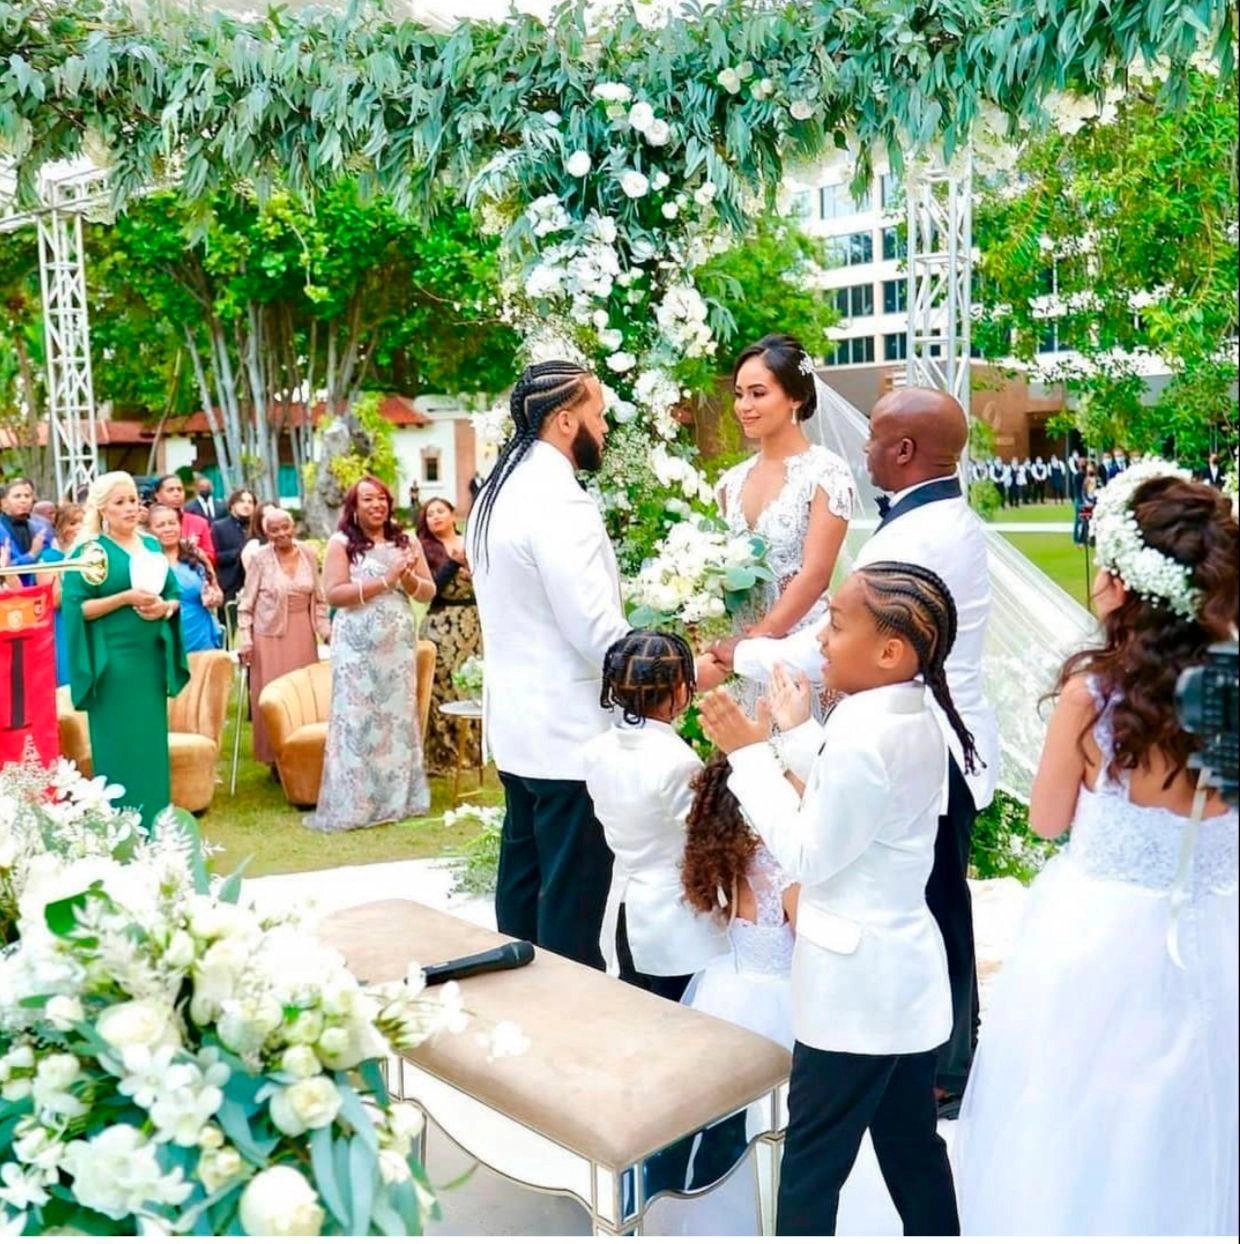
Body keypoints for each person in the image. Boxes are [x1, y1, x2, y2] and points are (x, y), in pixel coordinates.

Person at [955, 467, 1238, 1234]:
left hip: (1100, 946)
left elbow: (1047, 821)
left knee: (1084, 1132)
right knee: (1205, 1122)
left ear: (1123, 583)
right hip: (1222, 931)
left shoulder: (1095, 696)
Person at [713, 386, 1000, 1115]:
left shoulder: (913, 538)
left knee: (930, 903)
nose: (863, 447)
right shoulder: (943, 516)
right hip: (931, 735)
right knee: (937, 898)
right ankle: (939, 1054)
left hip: (918, 739)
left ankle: (940, 1066)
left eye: (874, 437)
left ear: (903, 451)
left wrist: (733, 655)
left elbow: (821, 652)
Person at [699, 561, 977, 1237]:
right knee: (912, 1150)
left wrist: (749, 754)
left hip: (853, 995)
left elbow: (807, 853)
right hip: (901, 980)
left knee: (811, 1168)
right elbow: (859, 800)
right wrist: (794, 735)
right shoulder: (908, 715)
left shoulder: (865, 731)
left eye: (838, 623)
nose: (821, 637)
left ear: (890, 651)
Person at [466, 360, 630, 969]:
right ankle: (567, 1030)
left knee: (523, 889)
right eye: (598, 414)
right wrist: (661, 663)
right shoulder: (560, 500)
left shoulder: (499, 490)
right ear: (565, 421)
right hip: (568, 734)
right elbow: (595, 628)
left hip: (517, 727)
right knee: (571, 905)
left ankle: (523, 1011)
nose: (606, 427)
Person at [582, 631, 728, 999]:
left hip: (625, 910)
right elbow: (705, 840)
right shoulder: (677, 762)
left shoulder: (597, 750)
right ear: (680, 692)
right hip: (678, 922)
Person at [712, 334, 853, 711]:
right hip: (741, 657)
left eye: (758, 394)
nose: (744, 406)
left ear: (796, 397)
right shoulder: (730, 483)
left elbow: (816, 574)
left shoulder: (826, 474)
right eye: (739, 394)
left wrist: (759, 640)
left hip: (801, 653)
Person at [60, 471, 189, 827]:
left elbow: (173, 593)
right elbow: (77, 608)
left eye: (133, 500)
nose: (131, 508)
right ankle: (120, 829)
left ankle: (157, 826)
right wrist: (124, 598)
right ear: (102, 510)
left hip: (148, 662)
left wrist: (166, 608)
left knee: (150, 747)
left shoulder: (150, 546)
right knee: (119, 747)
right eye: (120, 502)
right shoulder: (91, 553)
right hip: (112, 665)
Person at [307, 477, 435, 832]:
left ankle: (397, 799)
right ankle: (357, 804)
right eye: (368, 499)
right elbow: (334, 593)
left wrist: (407, 577)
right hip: (357, 647)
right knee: (359, 720)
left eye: (382, 498)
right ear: (354, 505)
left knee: (394, 720)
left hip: (396, 647)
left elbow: (426, 592)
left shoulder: (406, 541)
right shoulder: (342, 543)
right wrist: (386, 580)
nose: (376, 504)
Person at [238, 507, 332, 771]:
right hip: (269, 636)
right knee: (273, 694)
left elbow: (320, 598)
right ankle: (276, 760)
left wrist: (327, 632)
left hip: (302, 631)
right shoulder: (260, 559)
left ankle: (304, 753)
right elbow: (246, 604)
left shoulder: (309, 554)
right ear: (266, 533)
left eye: (285, 527)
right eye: (273, 530)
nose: (280, 534)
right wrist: (246, 638)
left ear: (294, 527)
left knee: (304, 694)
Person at [416, 497, 481, 774]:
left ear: (453, 514)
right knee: (444, 689)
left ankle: (476, 751)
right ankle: (445, 753)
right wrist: (453, 563)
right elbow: (432, 588)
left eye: (440, 511)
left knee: (474, 685)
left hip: (473, 624)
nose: (435, 517)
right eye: (430, 514)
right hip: (442, 626)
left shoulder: (473, 540)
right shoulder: (425, 549)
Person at [148, 504, 224, 653]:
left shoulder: (196, 554)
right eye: (160, 525)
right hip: (164, 639)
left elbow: (218, 594)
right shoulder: (146, 561)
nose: (168, 529)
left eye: (172, 523)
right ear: (150, 530)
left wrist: (213, 598)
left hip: (200, 636)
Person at [36, 503, 84, 687]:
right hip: (63, 627)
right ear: (60, 528)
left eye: (83, 523)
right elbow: (54, 600)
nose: (79, 528)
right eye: (72, 523)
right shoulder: (49, 558)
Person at [151, 473, 217, 564]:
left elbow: (211, 556)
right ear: (157, 496)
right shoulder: (148, 522)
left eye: (180, 489)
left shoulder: (200, 522)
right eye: (170, 490)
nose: (176, 493)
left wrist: (193, 551)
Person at [0, 477, 53, 586]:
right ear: (4, 502)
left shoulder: (41, 527)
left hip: (39, 590)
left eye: (27, 496)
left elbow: (48, 559)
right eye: (17, 496)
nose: (23, 500)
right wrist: (30, 555)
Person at [211, 488, 256, 609]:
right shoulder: (218, 527)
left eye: (250, 502)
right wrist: (239, 554)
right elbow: (214, 556)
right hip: (229, 585)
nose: (246, 505)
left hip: (255, 584)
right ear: (232, 505)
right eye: (242, 501)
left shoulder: (257, 528)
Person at [1073, 461, 1099, 545]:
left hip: (1093, 503)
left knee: (1092, 522)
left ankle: (1090, 539)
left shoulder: (1096, 479)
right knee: (1084, 522)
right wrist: (1086, 501)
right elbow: (1083, 492)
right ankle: (1080, 539)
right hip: (1085, 502)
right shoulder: (1084, 479)